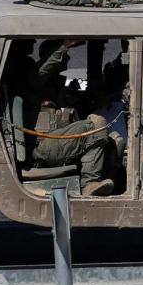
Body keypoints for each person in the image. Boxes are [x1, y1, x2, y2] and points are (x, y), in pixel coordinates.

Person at [15, 39, 116, 196]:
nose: (68, 59)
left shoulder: (62, 87)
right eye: (64, 56)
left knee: (114, 140)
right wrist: (64, 46)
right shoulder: (35, 84)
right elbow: (41, 72)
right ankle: (89, 184)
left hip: (59, 143)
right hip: (42, 146)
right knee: (97, 124)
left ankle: (108, 186)